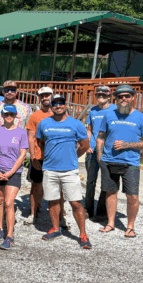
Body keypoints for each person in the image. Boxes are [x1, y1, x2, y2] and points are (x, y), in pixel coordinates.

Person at [96, 85, 143, 238]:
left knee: (132, 196)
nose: (123, 99)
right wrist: (100, 158)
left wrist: (127, 145)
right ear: (116, 98)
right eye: (120, 96)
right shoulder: (108, 116)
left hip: (130, 163)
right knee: (110, 192)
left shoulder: (141, 117)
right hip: (108, 161)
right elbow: (101, 136)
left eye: (127, 96)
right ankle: (110, 223)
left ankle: (130, 226)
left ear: (133, 97)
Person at [36, 94, 91, 249]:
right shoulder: (44, 123)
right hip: (50, 170)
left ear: (66, 105)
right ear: (51, 106)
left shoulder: (76, 124)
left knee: (75, 202)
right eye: (55, 103)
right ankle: (55, 228)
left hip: (69, 170)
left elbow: (85, 145)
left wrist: (73, 156)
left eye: (61, 103)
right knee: (52, 200)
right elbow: (40, 142)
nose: (58, 106)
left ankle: (83, 234)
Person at [0, 105, 29, 250]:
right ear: (2, 116)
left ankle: (10, 235)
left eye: (11, 114)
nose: (9, 116)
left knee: (8, 203)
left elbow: (23, 154)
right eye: (6, 114)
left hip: (14, 172)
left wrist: (11, 172)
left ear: (16, 116)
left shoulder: (21, 133)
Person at [25, 87, 54, 225]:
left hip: (54, 157)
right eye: (42, 96)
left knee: (57, 186)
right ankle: (33, 213)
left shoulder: (59, 114)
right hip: (39, 156)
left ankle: (58, 214)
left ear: (52, 95)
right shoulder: (35, 116)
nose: (44, 98)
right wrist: (32, 156)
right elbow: (30, 137)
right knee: (35, 185)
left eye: (47, 95)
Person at [85, 86, 115, 220]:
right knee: (90, 181)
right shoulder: (93, 110)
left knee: (106, 181)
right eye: (98, 94)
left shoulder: (115, 109)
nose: (101, 96)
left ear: (109, 96)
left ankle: (101, 211)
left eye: (104, 94)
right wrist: (86, 145)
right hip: (92, 150)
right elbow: (89, 129)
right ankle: (88, 209)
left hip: (107, 151)